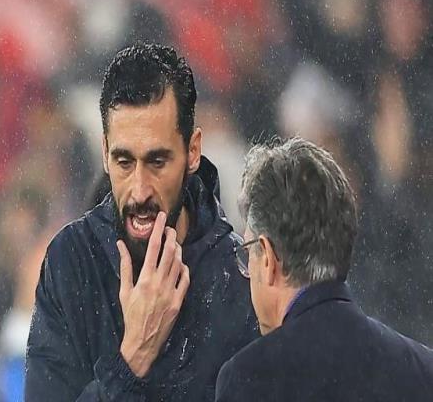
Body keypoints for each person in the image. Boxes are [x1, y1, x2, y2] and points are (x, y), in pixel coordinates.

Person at [25, 43, 258, 401]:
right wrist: (132, 360)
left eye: (157, 162)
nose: (139, 191)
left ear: (193, 150)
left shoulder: (240, 276)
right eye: (124, 162)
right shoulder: (70, 262)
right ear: (105, 152)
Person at [215, 137, 433, 402]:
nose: (247, 270)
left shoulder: (251, 378)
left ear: (268, 258)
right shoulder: (422, 369)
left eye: (248, 253)